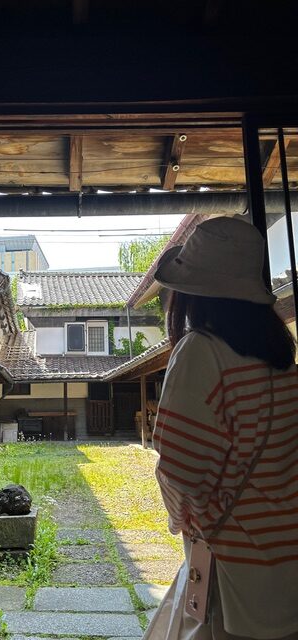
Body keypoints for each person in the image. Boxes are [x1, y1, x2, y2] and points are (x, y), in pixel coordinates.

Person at [144, 217, 298, 640]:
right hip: (288, 561)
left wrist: (182, 520)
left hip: (235, 569)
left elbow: (180, 471)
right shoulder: (283, 361)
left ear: (193, 295)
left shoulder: (201, 352)